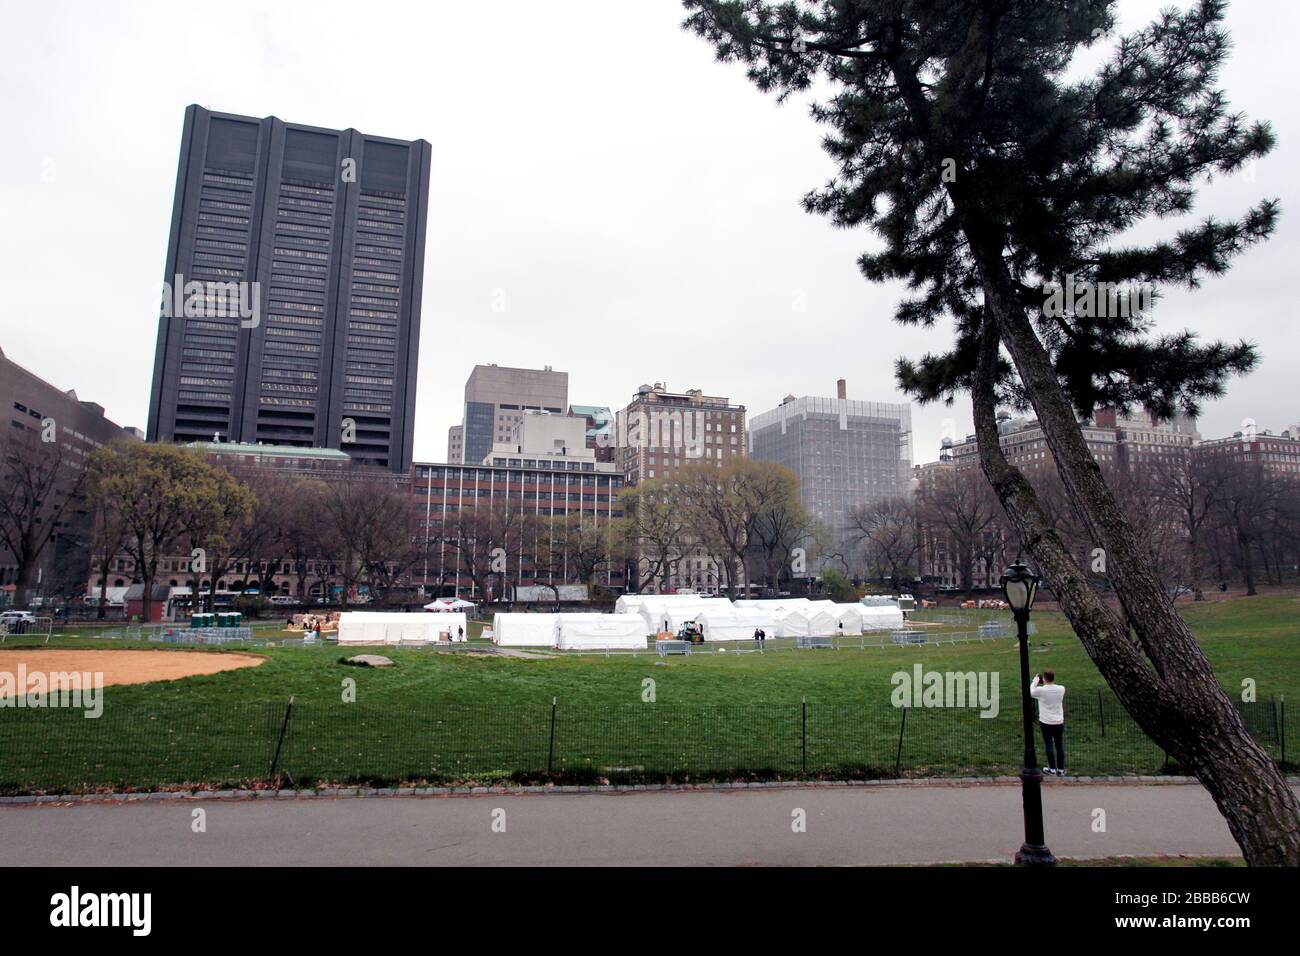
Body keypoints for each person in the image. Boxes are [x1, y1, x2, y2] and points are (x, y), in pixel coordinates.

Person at [1030, 670, 1066, 776]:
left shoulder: (1041, 691)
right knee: (1059, 744)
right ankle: (1061, 768)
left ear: (1044, 679)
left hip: (1046, 721)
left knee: (1049, 744)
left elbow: (1031, 691)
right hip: (1058, 721)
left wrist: (1035, 680)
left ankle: (1052, 768)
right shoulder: (1061, 689)